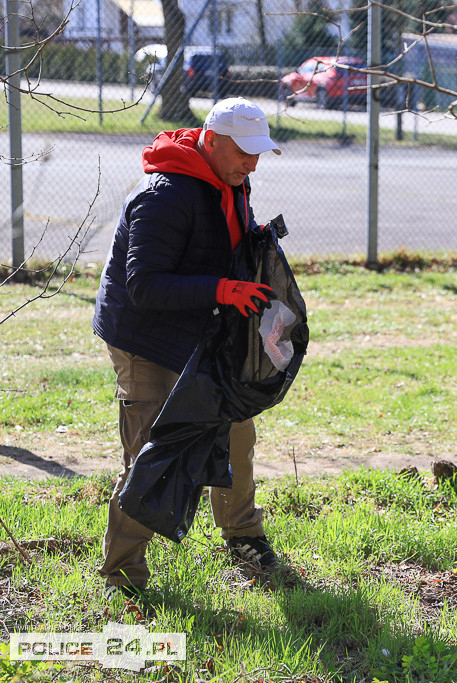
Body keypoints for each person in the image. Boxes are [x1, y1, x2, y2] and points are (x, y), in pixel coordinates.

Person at [93, 97, 283, 599]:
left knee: (236, 430)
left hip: (201, 327)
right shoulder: (165, 195)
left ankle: (243, 535)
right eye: (244, 152)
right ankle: (123, 577)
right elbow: (144, 285)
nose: (252, 163)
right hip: (144, 337)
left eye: (258, 153)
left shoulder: (231, 181)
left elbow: (218, 246)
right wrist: (221, 289)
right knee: (152, 453)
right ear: (211, 140)